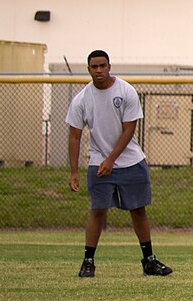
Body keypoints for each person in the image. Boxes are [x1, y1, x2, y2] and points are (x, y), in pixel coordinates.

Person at [65, 49, 173, 278]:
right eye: (94, 67)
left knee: (138, 210)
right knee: (98, 211)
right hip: (98, 163)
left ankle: (149, 261)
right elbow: (74, 136)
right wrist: (74, 171)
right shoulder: (82, 99)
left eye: (102, 66)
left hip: (131, 161)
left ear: (109, 66)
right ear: (89, 70)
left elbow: (129, 129)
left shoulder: (125, 91)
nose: (98, 70)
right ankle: (88, 262)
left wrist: (111, 159)